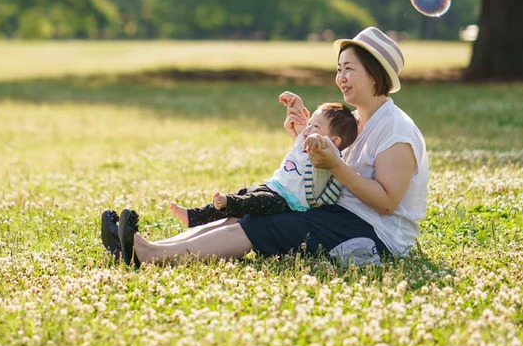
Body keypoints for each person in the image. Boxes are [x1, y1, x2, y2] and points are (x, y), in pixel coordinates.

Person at [103, 26, 427, 268]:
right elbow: (325, 176)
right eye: (338, 69)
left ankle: (151, 256)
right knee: (250, 207)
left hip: (374, 236)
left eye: (349, 69)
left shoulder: (396, 129)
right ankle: (153, 247)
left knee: (264, 223)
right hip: (337, 214)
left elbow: (386, 203)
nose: (340, 78)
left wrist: (335, 166)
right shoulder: (356, 119)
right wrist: (304, 142)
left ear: (374, 75)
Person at [167, 97, 358, 228]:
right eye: (310, 124)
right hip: (272, 186)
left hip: (288, 203)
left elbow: (324, 147)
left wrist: (318, 140)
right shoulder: (304, 140)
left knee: (253, 202)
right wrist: (296, 102)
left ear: (335, 142)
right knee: (244, 194)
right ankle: (194, 217)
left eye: (315, 126)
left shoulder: (328, 158)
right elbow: (301, 121)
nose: (309, 129)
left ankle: (227, 203)